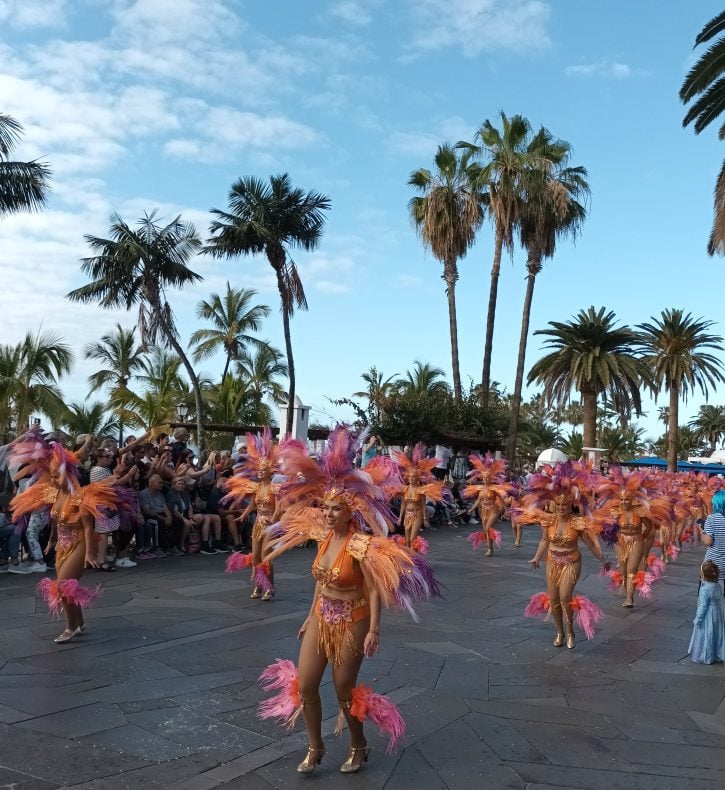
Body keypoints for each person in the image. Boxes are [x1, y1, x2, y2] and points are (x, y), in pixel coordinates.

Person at [255, 427, 437, 774]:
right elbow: (321, 584)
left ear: (350, 512)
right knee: (306, 684)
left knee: (343, 689)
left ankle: (358, 743)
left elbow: (373, 590)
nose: (327, 513)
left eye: (335, 509)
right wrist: (310, 616)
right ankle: (315, 746)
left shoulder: (361, 545)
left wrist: (375, 630)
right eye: (324, 507)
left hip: (354, 620)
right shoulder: (323, 540)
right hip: (322, 617)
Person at [9, 431, 126, 643]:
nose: (53, 479)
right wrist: (53, 540)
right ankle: (79, 622)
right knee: (67, 586)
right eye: (51, 475)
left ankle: (71, 627)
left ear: (68, 473)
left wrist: (90, 553)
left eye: (56, 475)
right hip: (63, 545)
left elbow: (89, 528)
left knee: (62, 585)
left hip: (81, 543)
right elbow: (56, 520)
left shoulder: (81, 497)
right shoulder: (57, 493)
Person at [519, 461, 609, 649]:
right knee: (554, 600)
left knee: (565, 597)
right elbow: (545, 540)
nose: (561, 507)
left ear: (571, 505)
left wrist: (603, 559)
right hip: (552, 561)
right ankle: (559, 632)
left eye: (564, 504)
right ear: (552, 504)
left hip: (571, 562)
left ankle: (570, 632)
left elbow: (590, 543)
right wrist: (537, 557)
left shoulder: (577, 523)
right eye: (558, 504)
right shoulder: (549, 521)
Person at [224, 429, 282, 600]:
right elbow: (254, 504)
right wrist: (244, 515)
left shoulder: (274, 488)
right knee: (255, 556)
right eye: (259, 470)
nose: (260, 472)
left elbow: (279, 507)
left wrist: (274, 520)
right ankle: (258, 585)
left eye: (263, 470)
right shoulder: (257, 487)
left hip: (269, 526)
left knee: (266, 558)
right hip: (258, 523)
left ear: (270, 472)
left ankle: (270, 588)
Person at [594, 468, 662, 608]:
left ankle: (629, 598)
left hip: (636, 541)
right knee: (624, 571)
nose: (624, 502)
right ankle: (627, 592)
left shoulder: (640, 511)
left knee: (632, 570)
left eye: (627, 500)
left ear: (632, 499)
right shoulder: (616, 511)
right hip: (621, 542)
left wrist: (641, 538)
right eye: (622, 500)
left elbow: (649, 527)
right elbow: (606, 526)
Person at [392, 443, 445, 549]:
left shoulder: (421, 490)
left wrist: (425, 519)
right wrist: (400, 517)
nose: (411, 479)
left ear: (417, 478)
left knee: (412, 540)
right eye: (410, 477)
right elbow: (403, 503)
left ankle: (415, 561)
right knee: (406, 541)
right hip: (407, 514)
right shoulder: (405, 489)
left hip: (418, 514)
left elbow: (423, 505)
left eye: (413, 477)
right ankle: (412, 561)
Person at [464, 454, 515, 556]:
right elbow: (478, 500)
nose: (485, 479)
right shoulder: (480, 488)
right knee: (486, 530)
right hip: (483, 510)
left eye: (487, 477)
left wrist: (506, 510)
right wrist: (472, 509)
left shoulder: (494, 488)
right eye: (484, 477)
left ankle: (490, 549)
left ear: (490, 477)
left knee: (488, 528)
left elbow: (501, 499)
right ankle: (490, 549)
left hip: (493, 510)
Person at [688, 560, 725, 664]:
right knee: (716, 633)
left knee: (707, 634)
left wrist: (698, 619)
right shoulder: (718, 585)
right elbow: (720, 599)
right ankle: (717, 654)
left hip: (708, 615)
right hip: (717, 613)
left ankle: (706, 656)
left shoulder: (704, 589)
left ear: (703, 575)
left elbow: (703, 606)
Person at [699, 489, 725, 587]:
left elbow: (708, 541)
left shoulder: (712, 518)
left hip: (713, 566)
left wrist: (702, 531)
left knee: (707, 598)